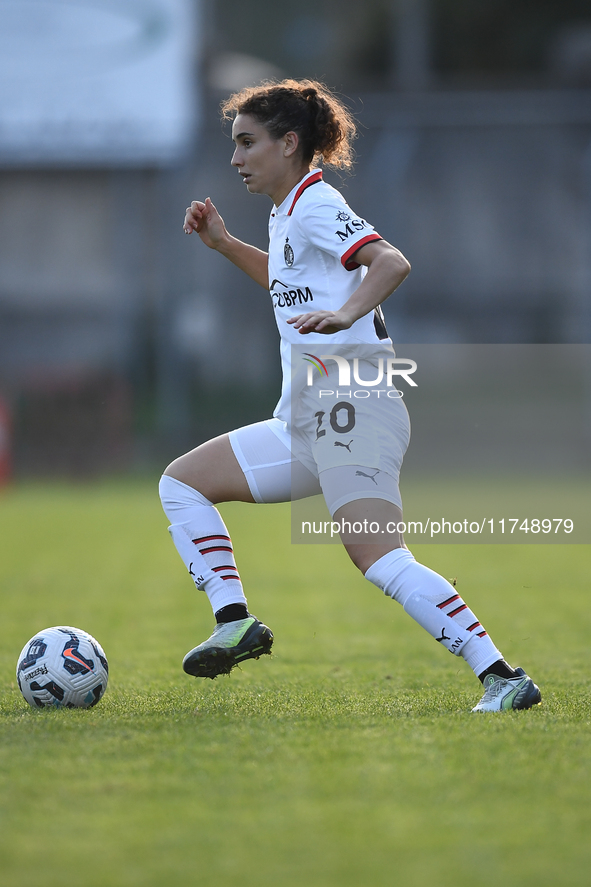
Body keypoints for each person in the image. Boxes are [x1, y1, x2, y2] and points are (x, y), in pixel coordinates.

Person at [159, 79, 541, 713]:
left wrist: (346, 316)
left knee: (379, 558)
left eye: (247, 143)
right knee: (182, 483)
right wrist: (225, 245)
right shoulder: (286, 213)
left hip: (354, 409)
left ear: (289, 143)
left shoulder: (313, 202)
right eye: (233, 145)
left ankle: (501, 675)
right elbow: (287, 286)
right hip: (309, 418)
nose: (236, 159)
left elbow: (390, 262)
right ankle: (235, 621)